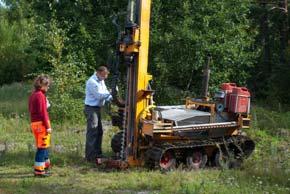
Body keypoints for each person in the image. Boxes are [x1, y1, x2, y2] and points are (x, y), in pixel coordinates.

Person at [84, 66, 112, 163]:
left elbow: (105, 92)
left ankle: (97, 153)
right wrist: (111, 95)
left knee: (99, 131)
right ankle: (90, 156)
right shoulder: (92, 82)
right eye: (104, 75)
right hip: (91, 108)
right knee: (93, 131)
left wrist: (111, 96)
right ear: (98, 73)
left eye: (106, 75)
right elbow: (99, 96)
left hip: (97, 108)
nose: (105, 77)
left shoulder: (101, 81)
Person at [28, 75, 52, 177]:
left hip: (34, 123)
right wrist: (48, 126)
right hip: (41, 124)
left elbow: (31, 109)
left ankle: (46, 166)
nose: (48, 87)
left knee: (44, 145)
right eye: (47, 85)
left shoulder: (33, 94)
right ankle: (39, 171)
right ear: (42, 85)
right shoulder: (40, 95)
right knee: (42, 147)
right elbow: (43, 112)